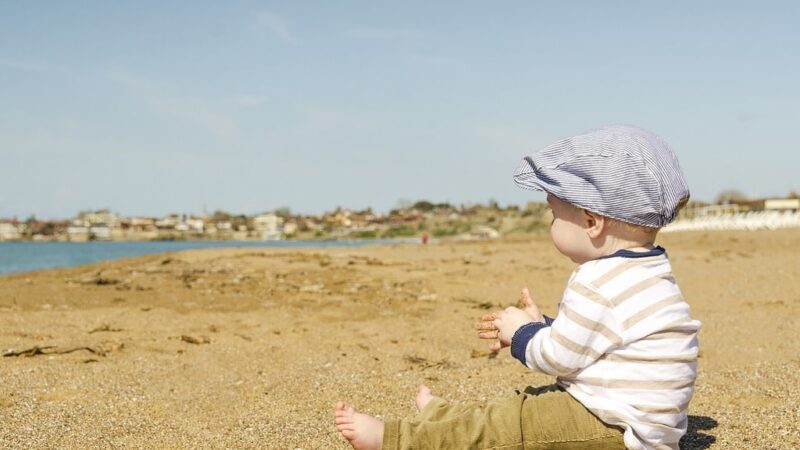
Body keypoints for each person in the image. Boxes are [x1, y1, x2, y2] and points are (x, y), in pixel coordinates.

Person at [334, 124, 701, 450]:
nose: (552, 222)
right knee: (525, 406)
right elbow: (596, 341)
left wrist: (521, 333)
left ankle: (394, 439)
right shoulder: (651, 269)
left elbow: (558, 358)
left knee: (510, 426)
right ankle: (444, 414)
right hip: (646, 425)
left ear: (591, 222)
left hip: (613, 427)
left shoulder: (596, 279)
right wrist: (543, 325)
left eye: (555, 213)